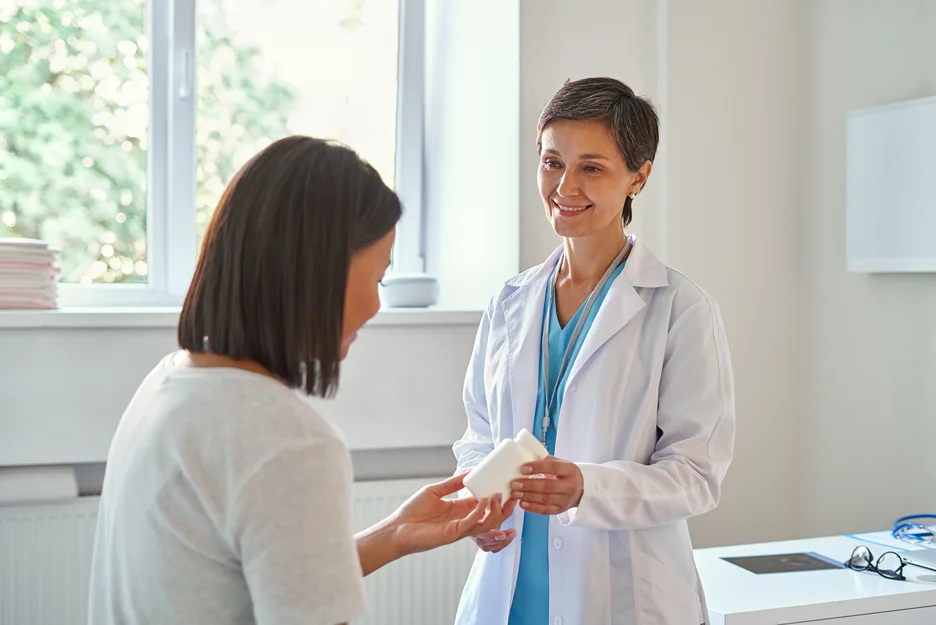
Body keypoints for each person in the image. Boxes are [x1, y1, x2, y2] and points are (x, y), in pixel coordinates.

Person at [87, 136, 515, 625]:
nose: (376, 306)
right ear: (320, 269)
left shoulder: (172, 382)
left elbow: (244, 582)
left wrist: (395, 533)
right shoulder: (287, 440)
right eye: (378, 278)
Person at [452, 77, 736, 625]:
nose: (565, 185)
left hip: (619, 593)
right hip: (509, 588)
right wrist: (477, 498)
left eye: (592, 167)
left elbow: (697, 474)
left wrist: (589, 486)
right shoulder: (509, 302)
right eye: (552, 161)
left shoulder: (681, 309)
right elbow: (479, 435)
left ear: (639, 177)